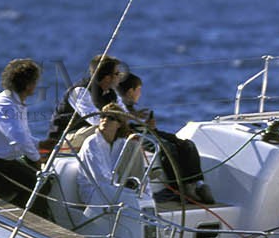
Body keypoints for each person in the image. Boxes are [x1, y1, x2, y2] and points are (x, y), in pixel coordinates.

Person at [0, 58, 52, 213]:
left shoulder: (14, 102)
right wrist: (36, 158)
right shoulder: (4, 104)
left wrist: (40, 144)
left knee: (44, 181)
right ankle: (26, 220)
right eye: (35, 81)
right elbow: (18, 138)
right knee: (38, 184)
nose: (36, 85)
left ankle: (26, 214)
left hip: (1, 160)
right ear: (27, 85)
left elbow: (21, 136)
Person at [118, 71, 215, 204]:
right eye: (138, 90)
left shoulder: (132, 108)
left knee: (187, 145)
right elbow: (126, 127)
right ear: (130, 91)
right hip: (134, 134)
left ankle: (196, 184)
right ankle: (178, 190)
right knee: (166, 148)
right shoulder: (119, 107)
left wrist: (149, 126)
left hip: (146, 131)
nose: (140, 94)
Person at [47, 54, 123, 146]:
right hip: (65, 139)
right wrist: (117, 122)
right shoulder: (80, 91)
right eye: (117, 73)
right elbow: (94, 119)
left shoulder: (111, 94)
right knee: (106, 127)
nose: (120, 76)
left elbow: (124, 113)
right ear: (107, 77)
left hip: (88, 136)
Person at [77, 107, 135, 222]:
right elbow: (100, 179)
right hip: (93, 193)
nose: (105, 120)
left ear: (119, 124)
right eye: (103, 116)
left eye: (111, 118)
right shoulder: (91, 143)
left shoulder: (122, 144)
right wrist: (124, 193)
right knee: (131, 204)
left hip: (115, 191)